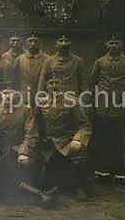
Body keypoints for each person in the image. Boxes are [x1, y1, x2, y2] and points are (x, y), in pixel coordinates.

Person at [30, 70, 92, 200]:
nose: (53, 86)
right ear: (46, 85)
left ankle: (77, 187)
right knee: (41, 182)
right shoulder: (41, 103)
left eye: (56, 82)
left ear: (62, 84)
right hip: (47, 146)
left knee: (78, 158)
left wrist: (77, 139)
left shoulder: (71, 101)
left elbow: (85, 126)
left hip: (66, 143)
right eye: (51, 83)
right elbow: (34, 125)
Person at [90, 34, 125, 186]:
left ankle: (121, 174)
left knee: (119, 141)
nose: (113, 46)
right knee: (101, 140)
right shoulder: (100, 62)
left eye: (116, 42)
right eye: (111, 42)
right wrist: (90, 104)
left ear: (122, 45)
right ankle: (102, 172)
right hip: (102, 108)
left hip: (120, 108)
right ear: (106, 44)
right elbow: (92, 85)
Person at [0, 83, 39, 202]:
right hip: (5, 153)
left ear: (16, 94)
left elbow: (31, 134)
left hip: (22, 150)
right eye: (5, 93)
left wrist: (24, 152)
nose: (7, 96)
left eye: (10, 93)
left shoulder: (26, 110)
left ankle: (29, 194)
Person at [37, 35, 89, 105]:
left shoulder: (78, 61)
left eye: (66, 41)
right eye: (61, 41)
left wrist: (85, 101)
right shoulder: (48, 61)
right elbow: (42, 81)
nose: (64, 43)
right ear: (56, 44)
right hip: (54, 100)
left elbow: (84, 83)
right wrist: (40, 98)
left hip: (73, 99)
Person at [14, 32, 49, 106]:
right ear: (26, 43)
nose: (33, 44)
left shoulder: (47, 59)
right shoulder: (19, 59)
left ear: (40, 43)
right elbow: (15, 80)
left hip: (42, 98)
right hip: (24, 98)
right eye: (30, 41)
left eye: (35, 41)